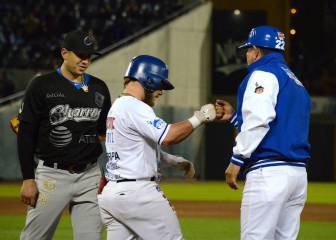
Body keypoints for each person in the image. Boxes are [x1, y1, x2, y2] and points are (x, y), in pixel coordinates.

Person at [98, 55, 216, 240]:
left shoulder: (118, 105)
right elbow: (168, 136)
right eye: (160, 84)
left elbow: (135, 149)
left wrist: (174, 161)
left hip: (112, 195)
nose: (161, 91)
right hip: (138, 194)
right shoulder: (134, 106)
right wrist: (199, 118)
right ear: (148, 79)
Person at [215, 26, 311, 240]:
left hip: (269, 173)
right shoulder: (296, 81)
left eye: (248, 50)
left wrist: (236, 159)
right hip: (297, 176)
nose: (247, 55)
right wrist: (234, 117)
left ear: (256, 51)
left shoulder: (263, 73)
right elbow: (279, 122)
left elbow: (259, 119)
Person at [17, 30, 111, 240]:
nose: (85, 60)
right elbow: (25, 134)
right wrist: (27, 178)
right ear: (64, 53)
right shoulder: (42, 85)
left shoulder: (99, 88)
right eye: (80, 54)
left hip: (90, 176)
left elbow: (104, 132)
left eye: (89, 56)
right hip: (52, 175)